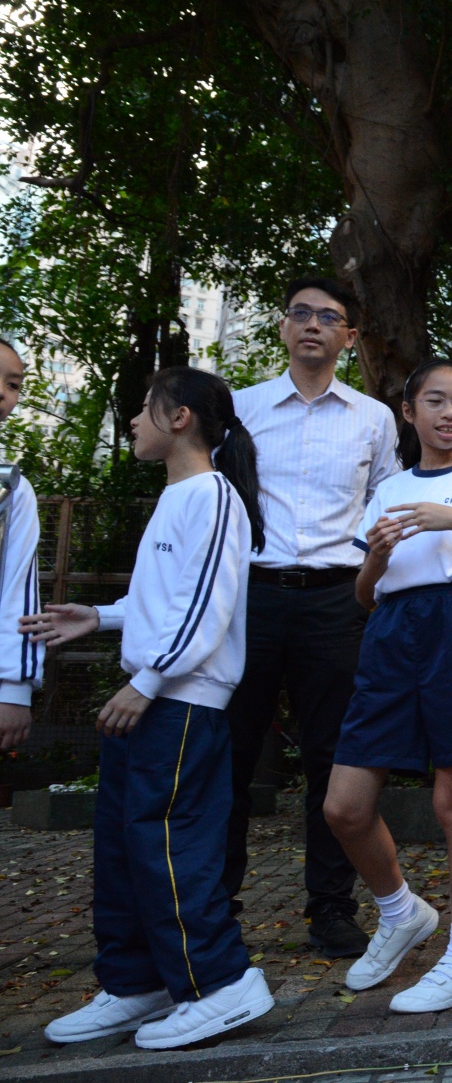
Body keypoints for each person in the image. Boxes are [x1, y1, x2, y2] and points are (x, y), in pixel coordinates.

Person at [22, 368, 275, 1049]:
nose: (135, 420)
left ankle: (222, 984)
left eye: (144, 407)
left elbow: (206, 605)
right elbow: (165, 600)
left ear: (180, 417)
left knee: (170, 848)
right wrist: (99, 615)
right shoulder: (178, 496)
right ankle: (139, 983)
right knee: (124, 848)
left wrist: (150, 680)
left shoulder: (213, 495)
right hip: (156, 699)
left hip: (180, 704)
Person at [321, 359, 452, 1010]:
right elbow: (365, 595)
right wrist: (377, 559)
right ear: (408, 413)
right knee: (344, 806)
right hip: (391, 633)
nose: (450, 413)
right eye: (435, 401)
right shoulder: (388, 488)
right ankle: (400, 910)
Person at [227, 278, 401, 956]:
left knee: (332, 757)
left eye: (329, 318)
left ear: (349, 338)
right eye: (300, 313)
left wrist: (369, 586)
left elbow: (383, 507)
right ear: (282, 326)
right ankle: (217, 906)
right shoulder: (239, 409)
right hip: (251, 594)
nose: (312, 325)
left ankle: (331, 908)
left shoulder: (374, 418)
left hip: (336, 597)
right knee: (231, 750)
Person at [0, 338, 42, 751]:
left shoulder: (10, 488)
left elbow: (19, 589)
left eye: (12, 384)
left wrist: (15, 687)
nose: (2, 393)